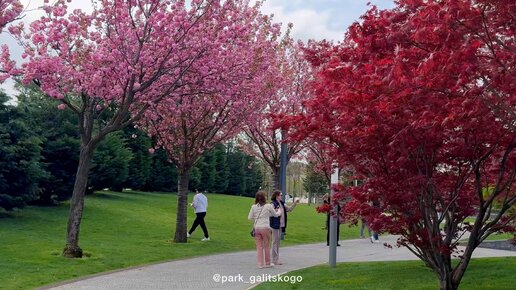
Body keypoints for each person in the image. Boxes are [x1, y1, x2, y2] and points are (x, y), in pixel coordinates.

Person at [248, 191, 281, 269]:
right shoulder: (268, 206)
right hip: (265, 228)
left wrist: (257, 218)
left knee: (259, 246)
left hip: (257, 228)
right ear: (264, 198)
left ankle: (260, 264)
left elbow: (249, 217)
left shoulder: (253, 207)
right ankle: (267, 263)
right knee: (266, 245)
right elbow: (275, 215)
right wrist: (279, 211)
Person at [270, 190, 299, 265]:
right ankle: (274, 260)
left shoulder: (282, 204)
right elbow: (270, 214)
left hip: (281, 225)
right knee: (274, 242)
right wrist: (276, 212)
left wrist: (295, 203)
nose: (282, 196)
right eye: (281, 195)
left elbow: (289, 209)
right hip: (275, 225)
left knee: (277, 242)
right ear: (277, 196)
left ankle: (276, 259)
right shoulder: (273, 204)